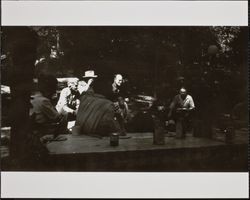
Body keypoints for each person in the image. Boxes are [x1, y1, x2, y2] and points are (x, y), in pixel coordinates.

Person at [72, 71, 122, 137]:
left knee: (106, 106)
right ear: (86, 78)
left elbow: (95, 95)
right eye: (90, 78)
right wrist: (88, 84)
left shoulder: (93, 86)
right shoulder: (81, 84)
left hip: (92, 103)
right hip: (83, 103)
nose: (92, 79)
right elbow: (82, 95)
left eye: (92, 78)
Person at [30, 74, 69, 139]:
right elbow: (57, 117)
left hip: (35, 130)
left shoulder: (35, 98)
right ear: (49, 88)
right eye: (54, 88)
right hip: (41, 132)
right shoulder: (43, 101)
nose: (54, 91)